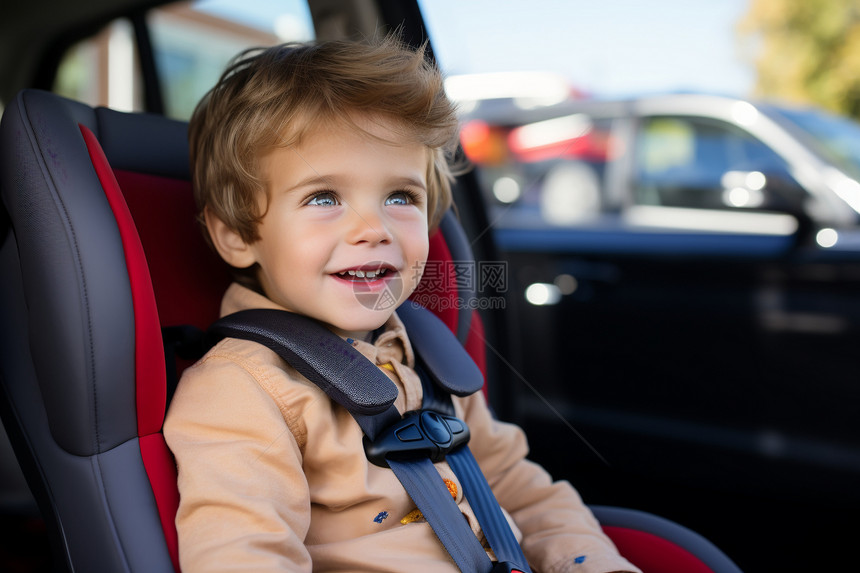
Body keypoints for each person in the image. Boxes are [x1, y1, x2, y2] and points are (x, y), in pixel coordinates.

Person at [163, 35, 641, 573]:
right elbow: (246, 557)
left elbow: (520, 489)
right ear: (237, 236)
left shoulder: (426, 353)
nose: (375, 229)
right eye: (324, 197)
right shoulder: (240, 389)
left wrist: (592, 562)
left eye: (401, 197)